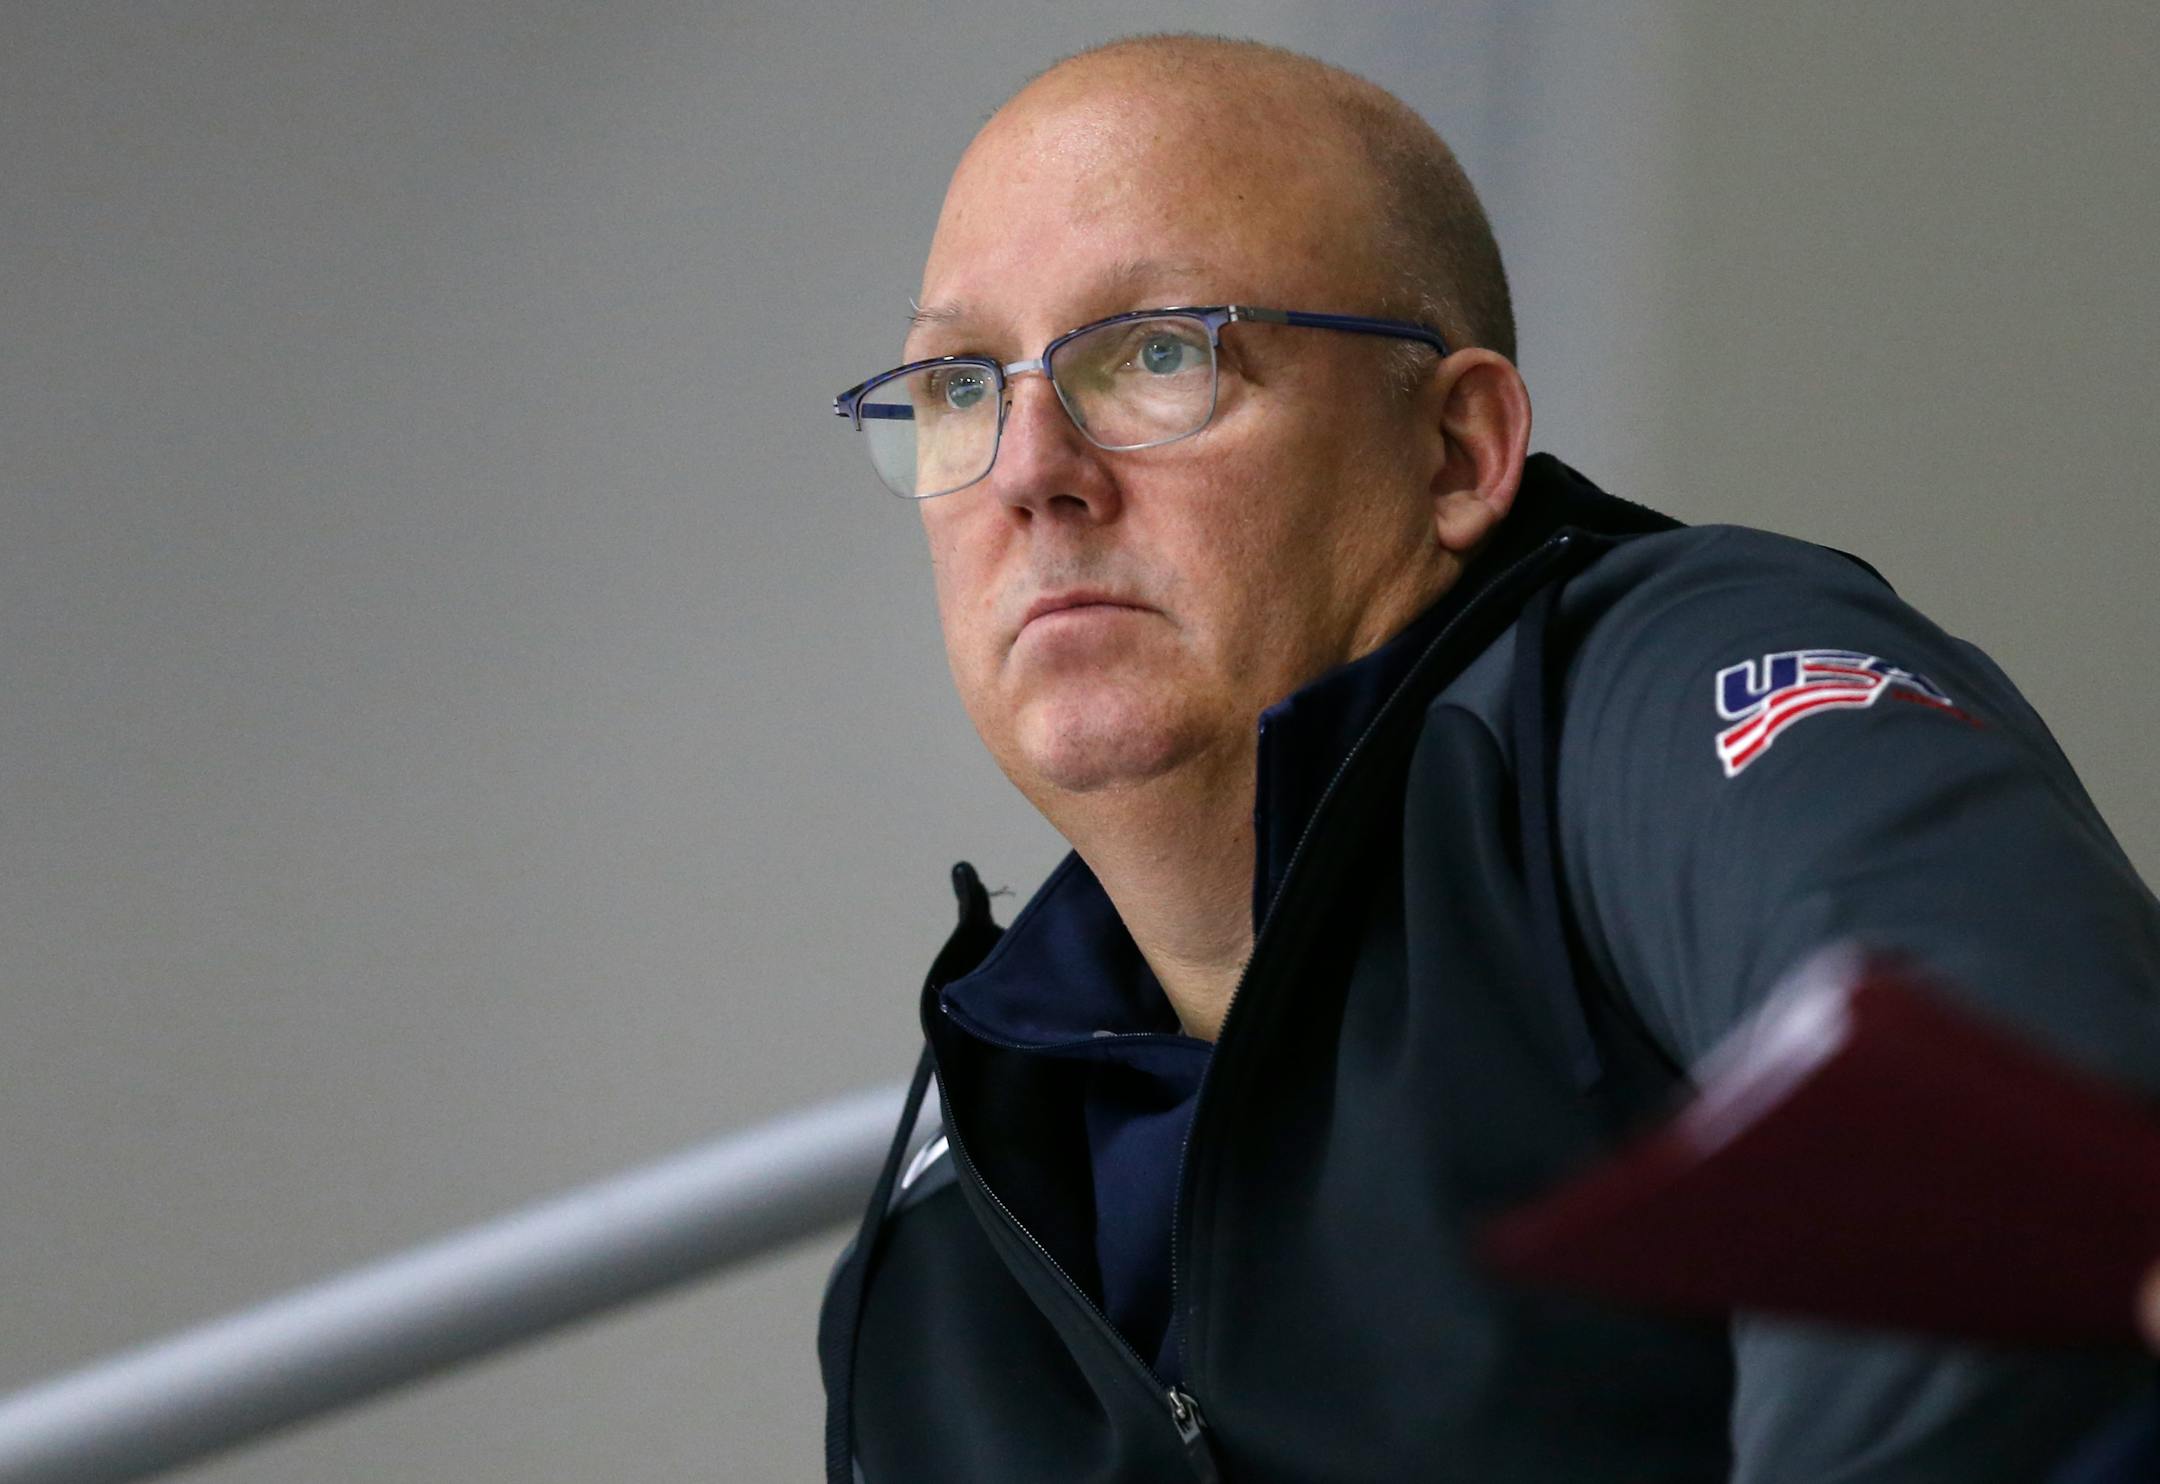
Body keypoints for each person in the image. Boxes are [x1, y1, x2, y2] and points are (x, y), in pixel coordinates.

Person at [816, 33, 2160, 1484]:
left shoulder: (1648, 696)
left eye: (1155, 356)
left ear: (1458, 451)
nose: (1028, 470)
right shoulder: (945, 1242)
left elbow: (2009, 1170)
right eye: (959, 386)